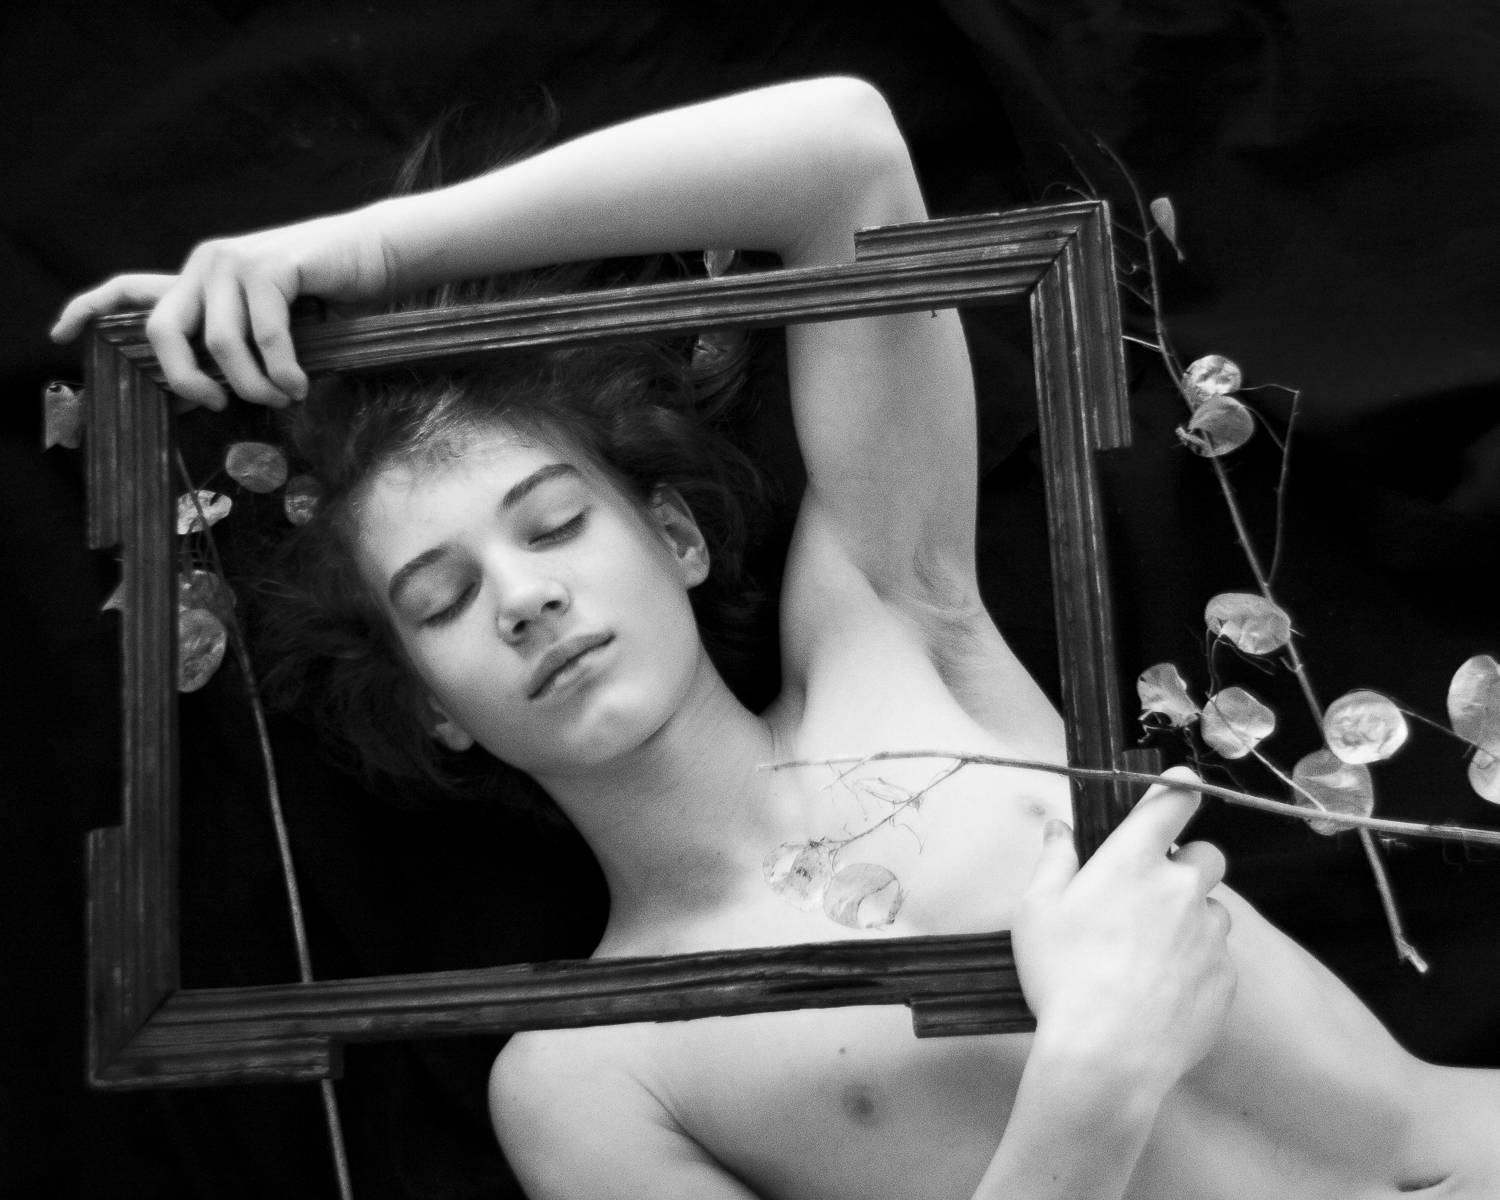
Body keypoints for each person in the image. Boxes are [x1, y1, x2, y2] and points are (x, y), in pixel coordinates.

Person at [52, 77, 1499, 1200]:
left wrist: (352, 251)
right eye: (440, 600)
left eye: (554, 526)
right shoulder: (590, 1082)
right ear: (429, 701)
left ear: (676, 541)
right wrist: (1091, 1086)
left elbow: (844, 155)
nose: (525, 597)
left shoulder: (892, 628)